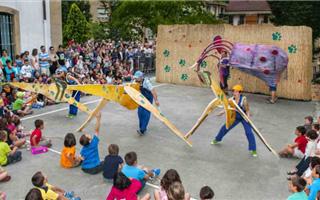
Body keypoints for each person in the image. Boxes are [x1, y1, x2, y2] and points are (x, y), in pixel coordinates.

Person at [211, 84, 258, 157]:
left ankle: (253, 150)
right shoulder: (231, 99)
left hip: (243, 117)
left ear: (240, 92)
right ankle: (217, 139)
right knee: (225, 127)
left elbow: (247, 110)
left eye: (236, 91)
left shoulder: (243, 100)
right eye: (233, 91)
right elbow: (228, 107)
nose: (234, 93)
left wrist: (248, 118)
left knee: (249, 132)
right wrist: (222, 112)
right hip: (235, 117)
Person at [133, 71, 160, 135]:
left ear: (141, 77)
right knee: (140, 112)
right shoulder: (135, 81)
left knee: (146, 113)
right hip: (142, 98)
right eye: (135, 78)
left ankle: (142, 129)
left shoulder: (146, 82)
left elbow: (153, 91)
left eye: (137, 78)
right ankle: (141, 128)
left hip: (148, 98)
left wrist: (156, 100)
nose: (135, 79)